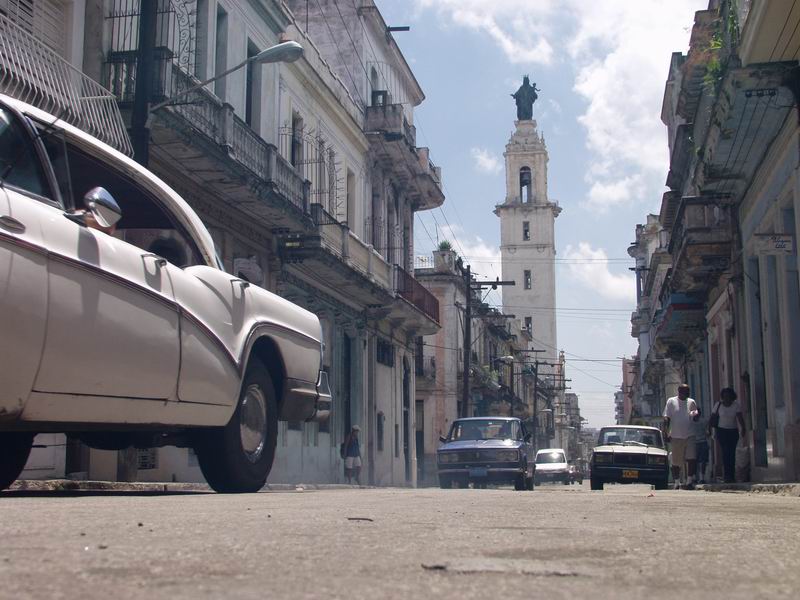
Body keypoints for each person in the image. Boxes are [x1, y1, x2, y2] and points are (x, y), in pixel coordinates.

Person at [663, 383, 699, 489]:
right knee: (676, 460)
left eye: (688, 391)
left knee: (691, 458)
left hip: (690, 434)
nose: (687, 393)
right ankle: (677, 482)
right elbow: (667, 417)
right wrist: (665, 431)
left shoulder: (692, 402)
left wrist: (697, 415)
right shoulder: (671, 401)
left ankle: (689, 481)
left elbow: (694, 417)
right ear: (679, 391)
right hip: (676, 435)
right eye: (685, 391)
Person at [710, 388, 746, 483]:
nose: (727, 398)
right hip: (722, 432)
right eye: (725, 396)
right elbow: (713, 417)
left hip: (733, 432)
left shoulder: (736, 406)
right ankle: (726, 475)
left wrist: (743, 428)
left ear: (732, 397)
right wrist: (709, 429)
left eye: (729, 396)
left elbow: (740, 418)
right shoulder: (718, 405)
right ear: (722, 397)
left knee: (732, 453)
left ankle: (731, 475)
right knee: (725, 453)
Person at [691, 407, 710, 484]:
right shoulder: (690, 423)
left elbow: (708, 431)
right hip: (694, 443)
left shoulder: (703, 421)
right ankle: (695, 477)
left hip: (702, 442)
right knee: (695, 461)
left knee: (702, 461)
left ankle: (701, 477)